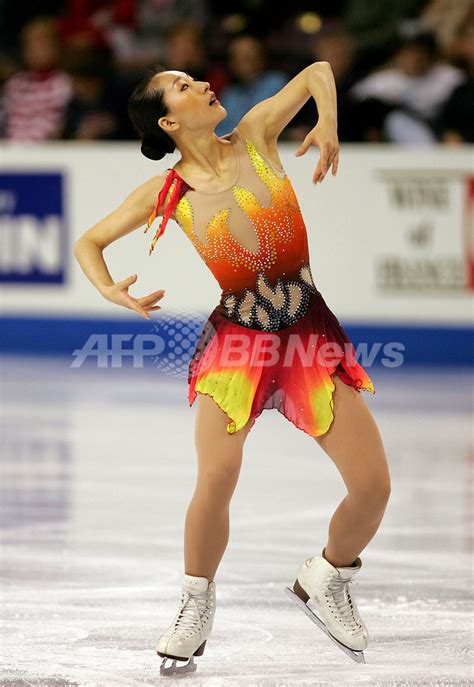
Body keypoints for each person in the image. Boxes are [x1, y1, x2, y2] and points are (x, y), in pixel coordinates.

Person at [73, 62, 391, 674]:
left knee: (373, 486)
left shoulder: (255, 134)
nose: (202, 85)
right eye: (184, 86)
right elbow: (90, 241)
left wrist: (327, 119)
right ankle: (195, 604)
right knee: (216, 479)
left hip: (307, 335)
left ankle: (328, 576)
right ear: (168, 121)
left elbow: (319, 70)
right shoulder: (166, 193)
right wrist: (110, 288)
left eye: (196, 78)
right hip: (237, 344)